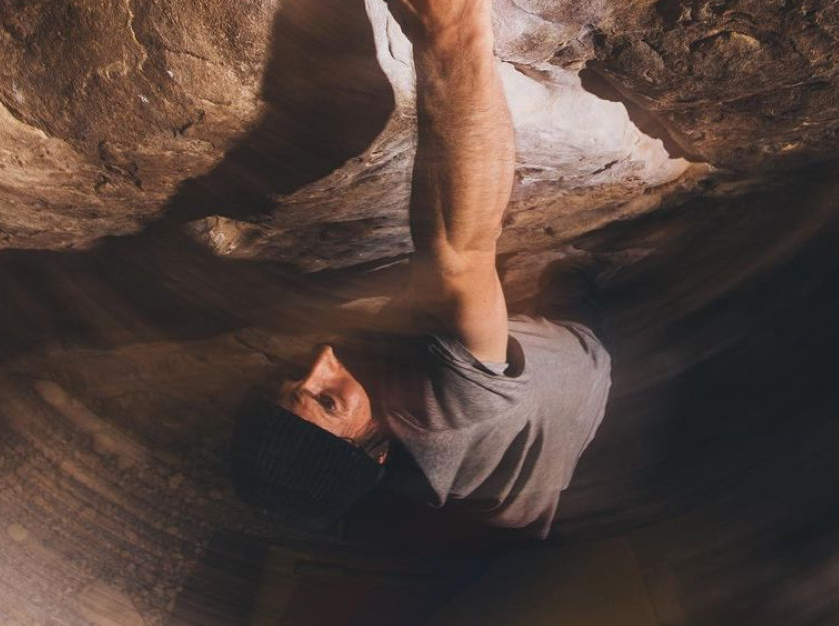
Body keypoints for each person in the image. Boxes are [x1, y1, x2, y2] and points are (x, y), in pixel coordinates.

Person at [230, 0, 612, 539]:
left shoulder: (422, 458)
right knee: (568, 280)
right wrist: (451, 35)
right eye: (327, 398)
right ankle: (578, 277)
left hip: (542, 450)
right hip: (584, 357)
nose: (321, 360)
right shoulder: (446, 412)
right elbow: (460, 253)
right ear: (377, 448)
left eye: (291, 379)